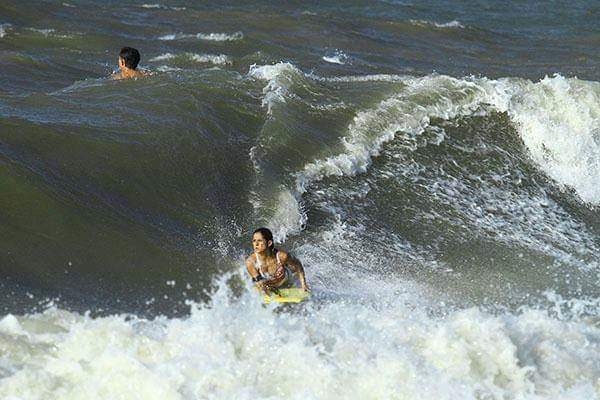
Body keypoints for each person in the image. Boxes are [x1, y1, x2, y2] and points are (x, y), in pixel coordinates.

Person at [245, 227, 309, 294]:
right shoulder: (251, 262)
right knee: (259, 286)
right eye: (254, 240)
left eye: (260, 240)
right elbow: (260, 284)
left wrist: (304, 285)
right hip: (269, 286)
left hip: (286, 281)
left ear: (269, 243)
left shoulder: (282, 256)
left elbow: (298, 265)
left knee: (292, 269)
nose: (256, 244)